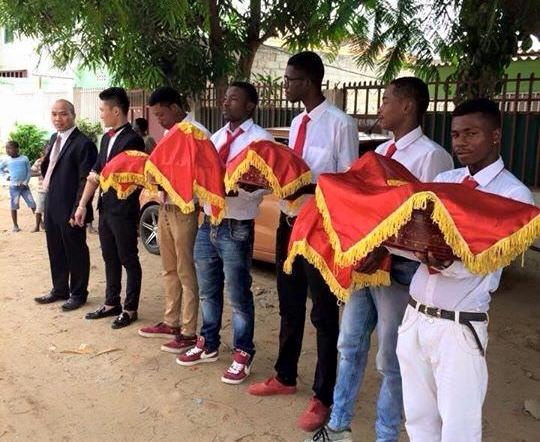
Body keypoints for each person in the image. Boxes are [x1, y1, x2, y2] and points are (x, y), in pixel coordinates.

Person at [305, 77, 454, 442]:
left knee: (391, 358)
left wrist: (384, 249)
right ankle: (338, 425)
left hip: (400, 268)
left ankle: (385, 434)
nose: (380, 107)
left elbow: (430, 222)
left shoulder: (432, 156)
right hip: (365, 265)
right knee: (349, 344)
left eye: (386, 100)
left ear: (407, 106)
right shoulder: (381, 152)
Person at [394, 98, 534, 442]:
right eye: (456, 135)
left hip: (458, 326)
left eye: (471, 133)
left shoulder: (513, 195)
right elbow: (418, 234)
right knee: (418, 420)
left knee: (459, 428)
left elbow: (491, 260)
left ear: (495, 135)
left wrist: (442, 261)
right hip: (415, 315)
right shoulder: (446, 180)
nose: (460, 142)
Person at [248, 51, 359, 431]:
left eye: (289, 79)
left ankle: (323, 395)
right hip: (288, 221)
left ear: (308, 82)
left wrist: (308, 187)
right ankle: (285, 375)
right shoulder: (296, 122)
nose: (285, 85)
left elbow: (348, 182)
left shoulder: (341, 124)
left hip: (320, 227)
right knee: (289, 303)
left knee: (323, 313)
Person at [176, 81, 274, 385]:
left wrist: (242, 190)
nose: (225, 103)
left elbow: (267, 183)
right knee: (208, 289)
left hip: (236, 224)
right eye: (225, 98)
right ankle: (208, 342)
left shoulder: (261, 140)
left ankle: (243, 351)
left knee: (238, 293)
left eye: (233, 99)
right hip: (209, 222)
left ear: (250, 105)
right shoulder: (216, 138)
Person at [138, 86, 211, 354]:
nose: (159, 120)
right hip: (165, 206)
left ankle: (189, 331)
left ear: (175, 107)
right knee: (168, 267)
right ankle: (171, 322)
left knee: (185, 269)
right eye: (155, 116)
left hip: (186, 208)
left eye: (161, 114)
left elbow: (204, 173)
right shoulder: (170, 135)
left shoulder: (197, 133)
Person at [74, 87, 145, 328]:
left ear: (116, 111)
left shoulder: (132, 139)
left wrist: (98, 180)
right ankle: (111, 302)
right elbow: (95, 173)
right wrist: (82, 205)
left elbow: (115, 175)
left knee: (128, 258)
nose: (101, 114)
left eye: (103, 110)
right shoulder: (106, 138)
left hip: (123, 210)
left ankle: (130, 308)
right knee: (109, 256)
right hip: (105, 207)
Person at [34, 100, 98, 311]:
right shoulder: (55, 138)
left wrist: (79, 207)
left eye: (62, 114)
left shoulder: (84, 144)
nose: (57, 119)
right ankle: (59, 289)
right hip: (52, 201)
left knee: (75, 250)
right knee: (55, 247)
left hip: (71, 206)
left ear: (73, 115)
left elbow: (85, 180)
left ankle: (78, 293)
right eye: (54, 114)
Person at [1, 141, 36, 232]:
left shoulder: (24, 158)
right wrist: (6, 176)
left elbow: (29, 171)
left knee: (32, 204)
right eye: (6, 148)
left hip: (24, 187)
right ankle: (15, 226)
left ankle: (40, 222)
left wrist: (25, 182)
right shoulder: (7, 160)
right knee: (14, 206)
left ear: (17, 149)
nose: (7, 150)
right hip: (14, 188)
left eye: (9, 148)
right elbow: (0, 169)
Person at [30, 145, 48, 232]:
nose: (48, 152)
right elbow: (31, 172)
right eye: (46, 150)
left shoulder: (56, 160)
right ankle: (37, 226)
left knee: (50, 209)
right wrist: (41, 174)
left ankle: (49, 226)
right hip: (42, 189)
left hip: (54, 190)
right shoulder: (39, 161)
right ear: (43, 152)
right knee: (39, 209)